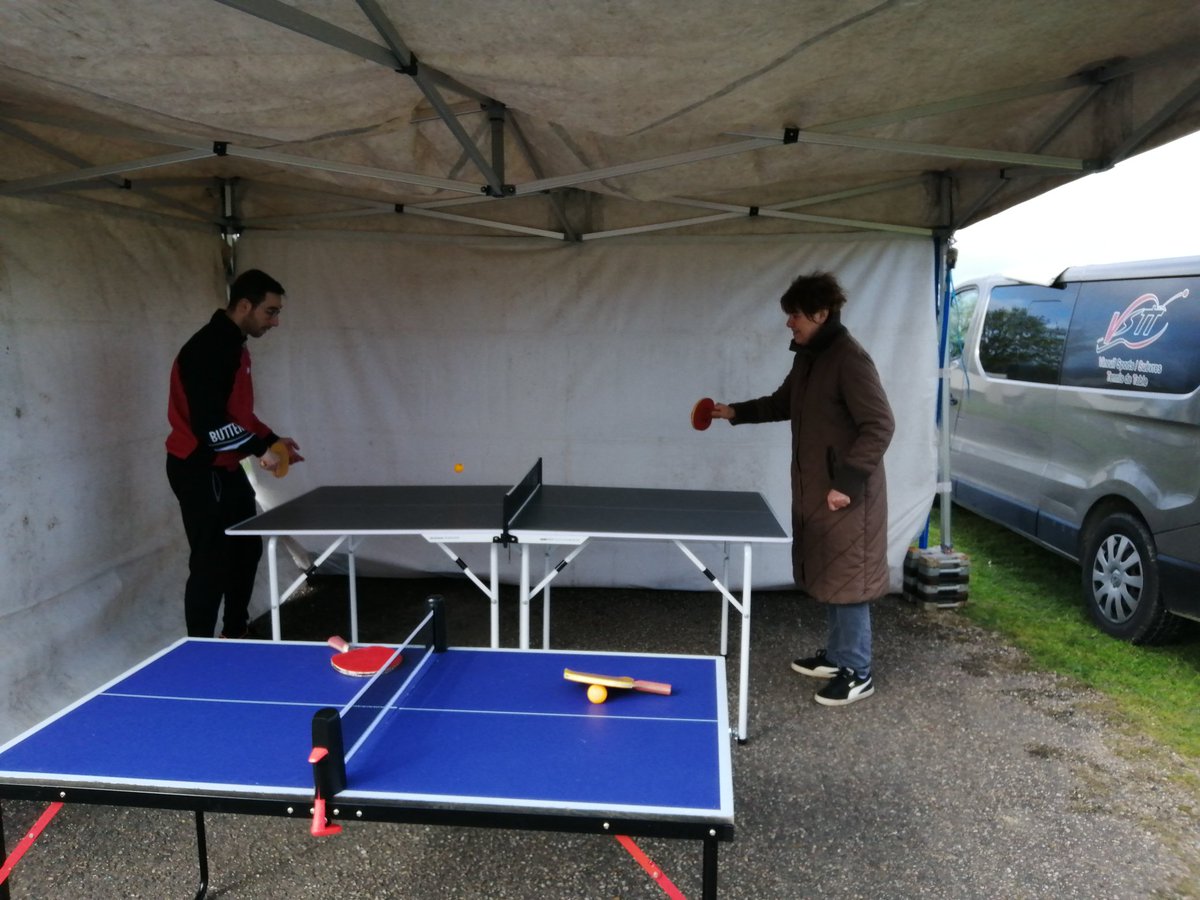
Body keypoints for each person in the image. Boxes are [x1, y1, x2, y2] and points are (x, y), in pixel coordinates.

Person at [712, 272, 894, 706]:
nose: (789, 323)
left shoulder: (849, 360)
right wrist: (732, 411)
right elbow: (782, 403)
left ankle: (858, 671)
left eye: (794, 315)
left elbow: (880, 424)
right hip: (821, 490)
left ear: (820, 312)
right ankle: (837, 656)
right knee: (832, 572)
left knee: (850, 578)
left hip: (849, 494)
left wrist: (846, 483)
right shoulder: (811, 358)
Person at [165, 269, 303, 638]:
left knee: (245, 553)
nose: (276, 321)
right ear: (245, 305)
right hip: (198, 467)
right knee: (211, 563)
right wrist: (260, 449)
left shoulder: (235, 346)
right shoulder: (208, 348)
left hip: (225, 468)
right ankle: (200, 646)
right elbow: (208, 427)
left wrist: (273, 440)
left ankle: (236, 633)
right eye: (270, 312)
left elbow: (237, 415)